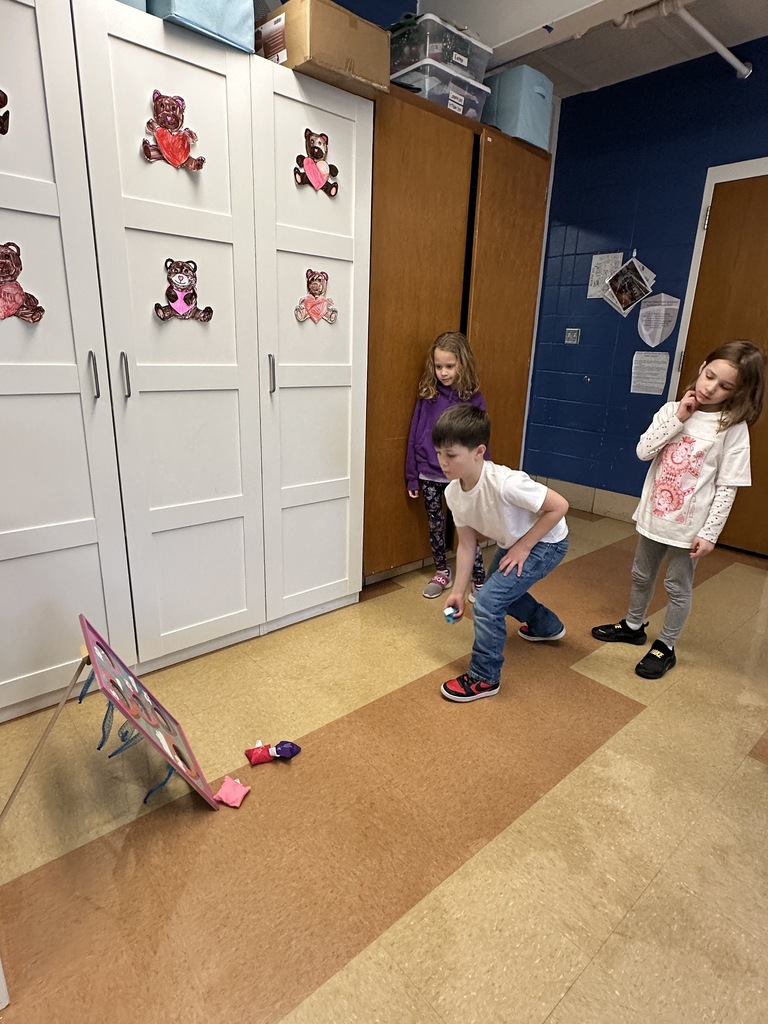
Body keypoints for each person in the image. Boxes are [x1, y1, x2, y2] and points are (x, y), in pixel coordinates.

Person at [592, 340, 766, 679]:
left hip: (689, 529)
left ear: (737, 391)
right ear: (701, 367)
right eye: (710, 376)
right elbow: (644, 451)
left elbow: (727, 487)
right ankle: (632, 625)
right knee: (641, 573)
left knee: (677, 585)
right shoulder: (672, 411)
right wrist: (679, 418)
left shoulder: (732, 428)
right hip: (654, 516)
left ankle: (666, 645)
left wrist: (710, 532)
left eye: (724, 386)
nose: (710, 388)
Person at [433, 404, 569, 703]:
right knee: (499, 592)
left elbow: (559, 506)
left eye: (451, 455)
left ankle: (484, 678)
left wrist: (523, 546)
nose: (442, 462)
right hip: (516, 542)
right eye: (439, 453)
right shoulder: (453, 493)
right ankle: (547, 626)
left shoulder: (506, 484)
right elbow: (467, 544)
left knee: (488, 601)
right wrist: (457, 590)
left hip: (546, 542)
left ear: (478, 451)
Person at [406, 332, 487, 600]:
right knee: (435, 525)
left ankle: (478, 579)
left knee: (467, 528)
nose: (443, 372)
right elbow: (415, 434)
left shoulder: (473, 399)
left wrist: (480, 476)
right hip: (428, 474)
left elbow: (480, 442)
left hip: (462, 478)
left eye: (449, 366)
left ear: (462, 364)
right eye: (438, 366)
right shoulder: (427, 396)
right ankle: (442, 570)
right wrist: (411, 476)